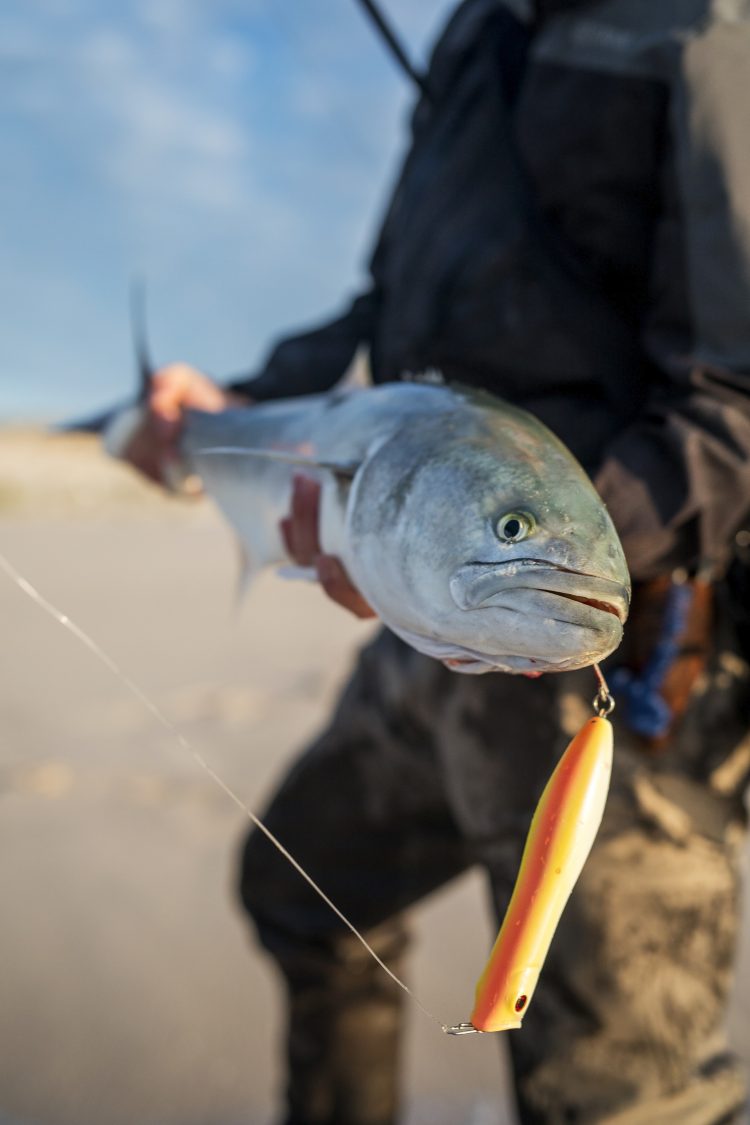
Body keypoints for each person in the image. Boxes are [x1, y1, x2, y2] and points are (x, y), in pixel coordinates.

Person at [124, 2, 750, 1122]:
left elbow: (737, 407)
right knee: (302, 893)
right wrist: (236, 409)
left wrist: (498, 545)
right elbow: (389, 321)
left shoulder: (713, 33)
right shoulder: (475, 31)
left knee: (613, 1095)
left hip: (625, 664)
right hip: (426, 628)